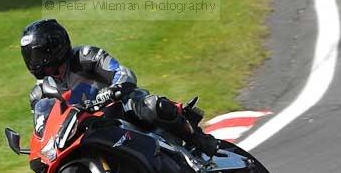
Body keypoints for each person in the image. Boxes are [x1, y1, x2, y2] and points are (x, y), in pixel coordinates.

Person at [21, 18, 219, 162]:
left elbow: (122, 72)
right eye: (30, 56)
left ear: (55, 47)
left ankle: (199, 139)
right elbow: (43, 126)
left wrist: (114, 89)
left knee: (151, 105)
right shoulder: (40, 93)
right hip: (88, 129)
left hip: (120, 107)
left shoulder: (85, 56)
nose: (35, 62)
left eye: (38, 55)